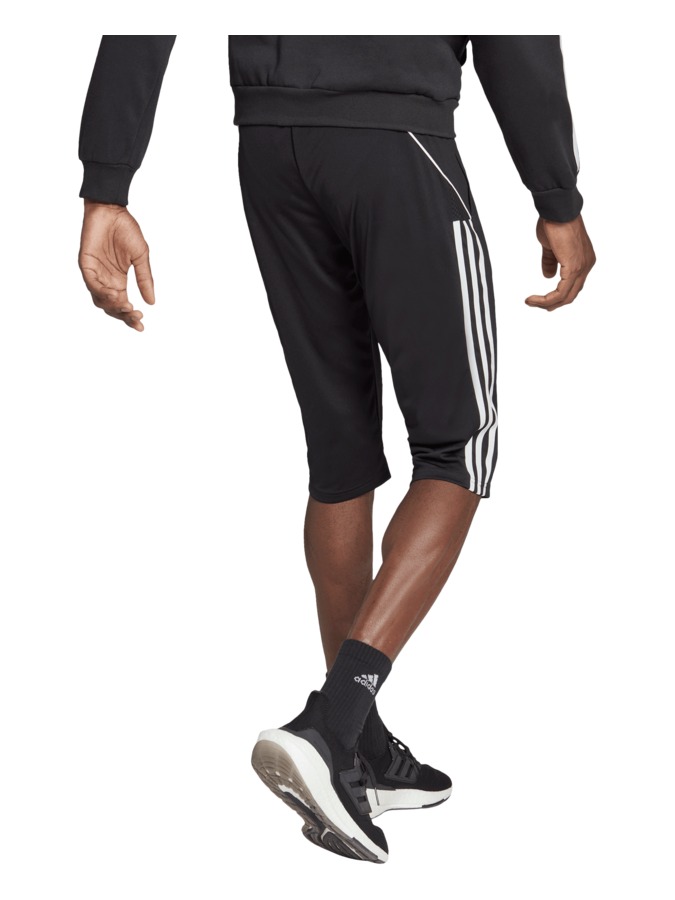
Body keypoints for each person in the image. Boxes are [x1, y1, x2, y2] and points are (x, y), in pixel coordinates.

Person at [78, 35, 595, 864]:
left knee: (340, 451)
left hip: (270, 147)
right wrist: (556, 195)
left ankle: (359, 750)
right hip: (395, 137)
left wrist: (106, 185)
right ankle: (333, 721)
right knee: (458, 449)